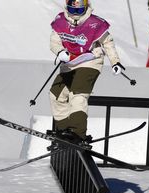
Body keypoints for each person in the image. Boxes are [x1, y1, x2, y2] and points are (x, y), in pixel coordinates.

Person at [48, 0, 125, 146]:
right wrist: (60, 51)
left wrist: (115, 61)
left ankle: (77, 133)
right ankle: (64, 131)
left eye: (79, 10)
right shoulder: (61, 21)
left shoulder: (94, 23)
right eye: (72, 10)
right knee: (56, 95)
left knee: (77, 94)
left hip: (90, 61)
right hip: (69, 63)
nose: (75, 14)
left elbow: (107, 42)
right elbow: (54, 41)